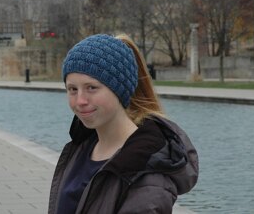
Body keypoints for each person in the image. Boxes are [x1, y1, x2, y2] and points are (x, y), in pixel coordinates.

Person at [48, 34, 199, 214]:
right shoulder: (81, 148)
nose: (80, 100)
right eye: (72, 89)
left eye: (92, 88)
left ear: (120, 90)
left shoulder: (147, 174)